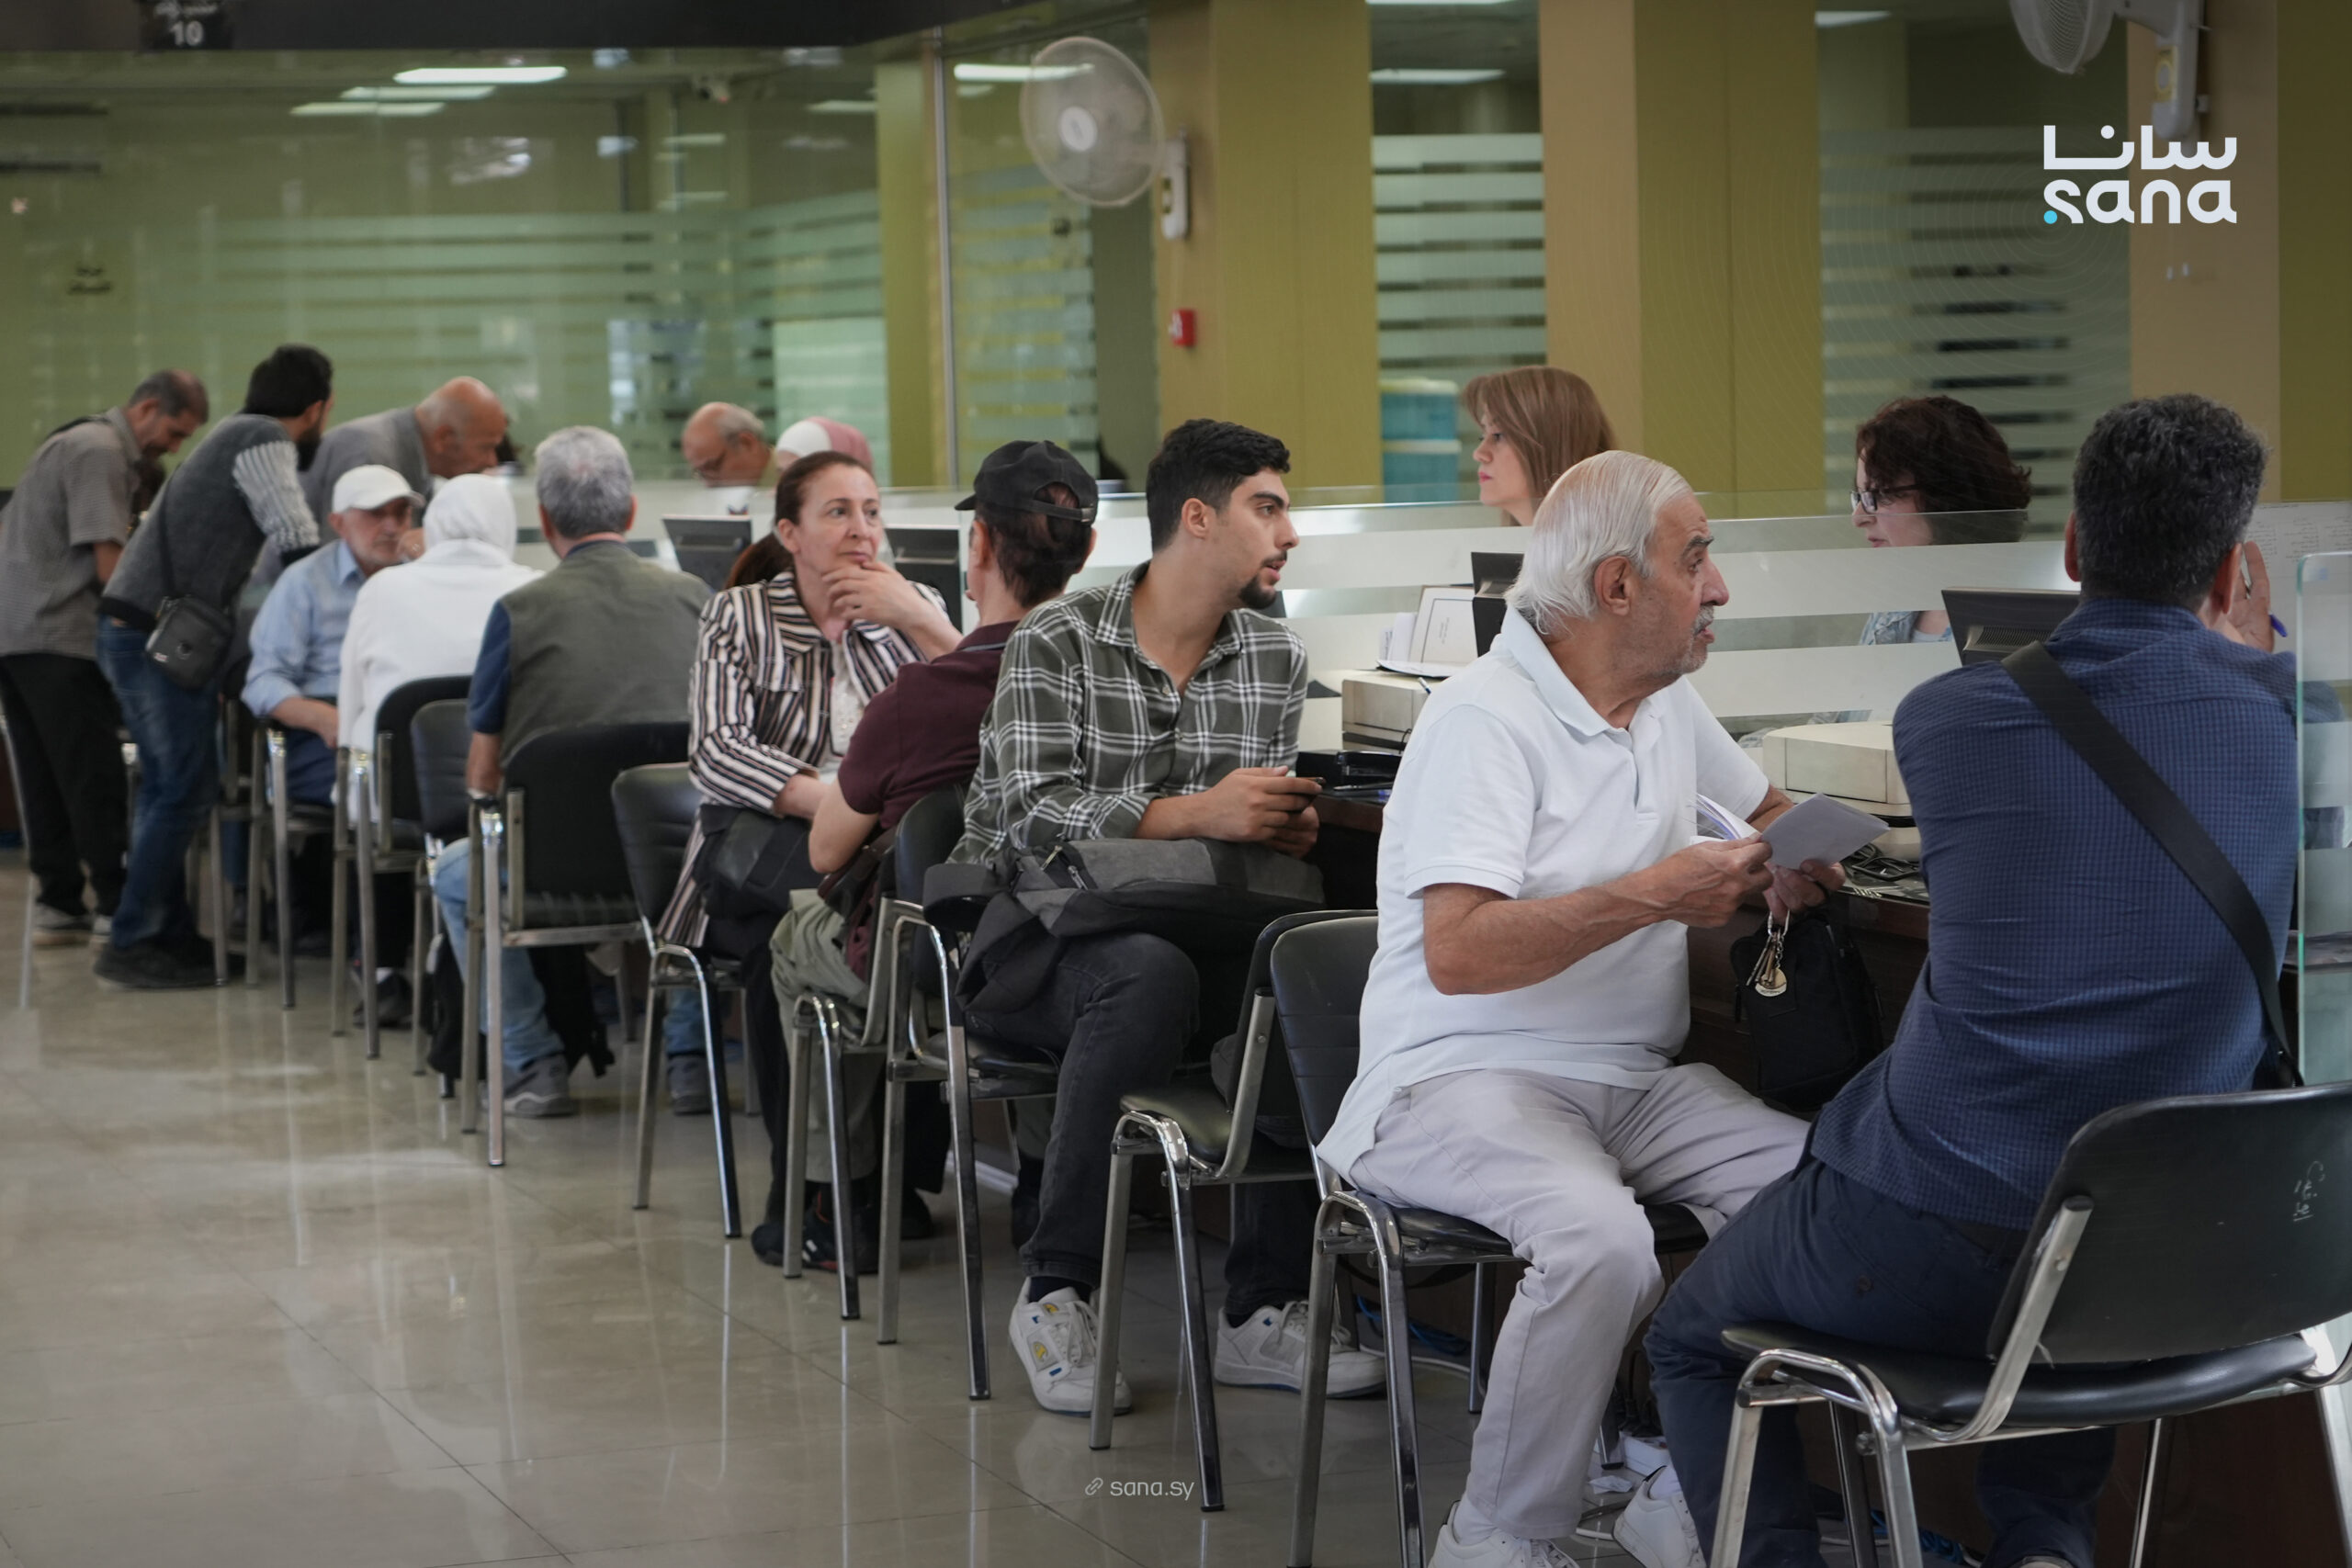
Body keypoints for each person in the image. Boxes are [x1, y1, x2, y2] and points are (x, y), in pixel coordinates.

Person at [1644, 395, 2290, 1568]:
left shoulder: (1949, 719)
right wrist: (2259, 655)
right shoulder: (2289, 720)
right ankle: (2041, 1546)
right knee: (2071, 1262)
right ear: (2231, 566)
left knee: (1690, 1339)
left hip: (1931, 1225)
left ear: (2074, 549)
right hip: (2164, 1250)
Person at [1317, 450, 1844, 1568]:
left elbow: (1761, 806)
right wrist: (1658, 892)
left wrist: (1793, 852)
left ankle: (1681, 1479)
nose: (1718, 588)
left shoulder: (1661, 702)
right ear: (1616, 586)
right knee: (1601, 1242)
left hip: (1632, 1081)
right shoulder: (1483, 719)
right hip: (1456, 1074)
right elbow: (1459, 954)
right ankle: (1496, 1535)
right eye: (1695, 560)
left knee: (1827, 1193)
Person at [952, 417, 1386, 1416]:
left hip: (1196, 928)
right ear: (1197, 518)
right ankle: (1055, 1290)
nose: (1288, 533)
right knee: (1147, 973)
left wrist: (1278, 826)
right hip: (1033, 936)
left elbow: (1233, 851)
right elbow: (1028, 817)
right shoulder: (1056, 640)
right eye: (1266, 509)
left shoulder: (1274, 656)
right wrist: (1200, 813)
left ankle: (1263, 1309)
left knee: (1297, 976)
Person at [767, 438, 1097, 1271]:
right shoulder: (1115, 682)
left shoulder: (918, 698)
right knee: (1033, 923)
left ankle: (834, 1196)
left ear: (976, 543)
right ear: (1089, 549)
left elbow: (827, 847)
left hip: (935, 971)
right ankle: (1041, 1183)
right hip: (1073, 952)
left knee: (795, 939)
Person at [654, 450, 958, 1221]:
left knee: (907, 933)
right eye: (838, 512)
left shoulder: (911, 609)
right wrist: (834, 803)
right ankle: (813, 1194)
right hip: (758, 844)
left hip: (877, 852)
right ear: (789, 533)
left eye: (872, 512)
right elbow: (716, 749)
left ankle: (892, 1177)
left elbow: (987, 709)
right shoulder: (740, 615)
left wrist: (921, 621)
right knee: (788, 938)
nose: (862, 530)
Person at [431, 427, 708, 1118]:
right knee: (712, 859)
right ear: (632, 510)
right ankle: (692, 1057)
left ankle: (532, 1062)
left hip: (550, 874)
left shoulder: (518, 613)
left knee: (456, 876)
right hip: (678, 863)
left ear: (545, 519)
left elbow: (482, 775)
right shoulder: (697, 599)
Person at [94, 344, 332, 990]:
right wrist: (338, 598)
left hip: (143, 632)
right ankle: (133, 939)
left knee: (172, 788)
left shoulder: (234, 433)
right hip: (155, 637)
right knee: (183, 789)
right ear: (316, 408)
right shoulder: (261, 436)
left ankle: (167, 934)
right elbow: (294, 534)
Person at [0, 368, 208, 948]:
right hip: (58, 633)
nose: (174, 447)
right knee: (93, 776)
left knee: (45, 776)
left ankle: (59, 903)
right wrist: (169, 624)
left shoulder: (72, 440)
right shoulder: (101, 451)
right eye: (174, 432)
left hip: (16, 635)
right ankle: (118, 907)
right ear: (146, 408)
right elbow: (112, 569)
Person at [335, 472, 539, 1024]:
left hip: (397, 804)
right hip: (503, 805)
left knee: (362, 788)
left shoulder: (382, 591)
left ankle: (381, 971)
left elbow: (352, 707)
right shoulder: (533, 590)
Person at [240, 463, 423, 964]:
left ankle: (429, 947)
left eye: (401, 513)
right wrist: (324, 719)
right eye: (375, 514)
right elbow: (263, 680)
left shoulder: (419, 576)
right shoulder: (304, 582)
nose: (392, 526)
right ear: (339, 522)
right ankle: (379, 957)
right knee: (383, 788)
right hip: (323, 729)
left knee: (438, 782)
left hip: (399, 721)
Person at [1846, 394, 2033, 647]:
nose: (1858, 518)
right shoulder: (1893, 607)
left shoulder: (2021, 616)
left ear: (1945, 497)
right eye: (1860, 496)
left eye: (1880, 494)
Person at [300, 377, 508, 527]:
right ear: (444, 438)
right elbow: (345, 562)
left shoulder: (419, 458)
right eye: (486, 447)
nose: (492, 461)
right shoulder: (370, 455)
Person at [1464, 367, 1615, 527]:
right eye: (1482, 436)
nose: (1479, 454)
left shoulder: (1610, 540)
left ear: (1550, 445)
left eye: (1498, 435)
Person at [680, 402, 777, 512]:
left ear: (747, 443)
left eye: (713, 467)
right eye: (701, 473)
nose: (709, 484)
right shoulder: (728, 503)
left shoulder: (791, 482)